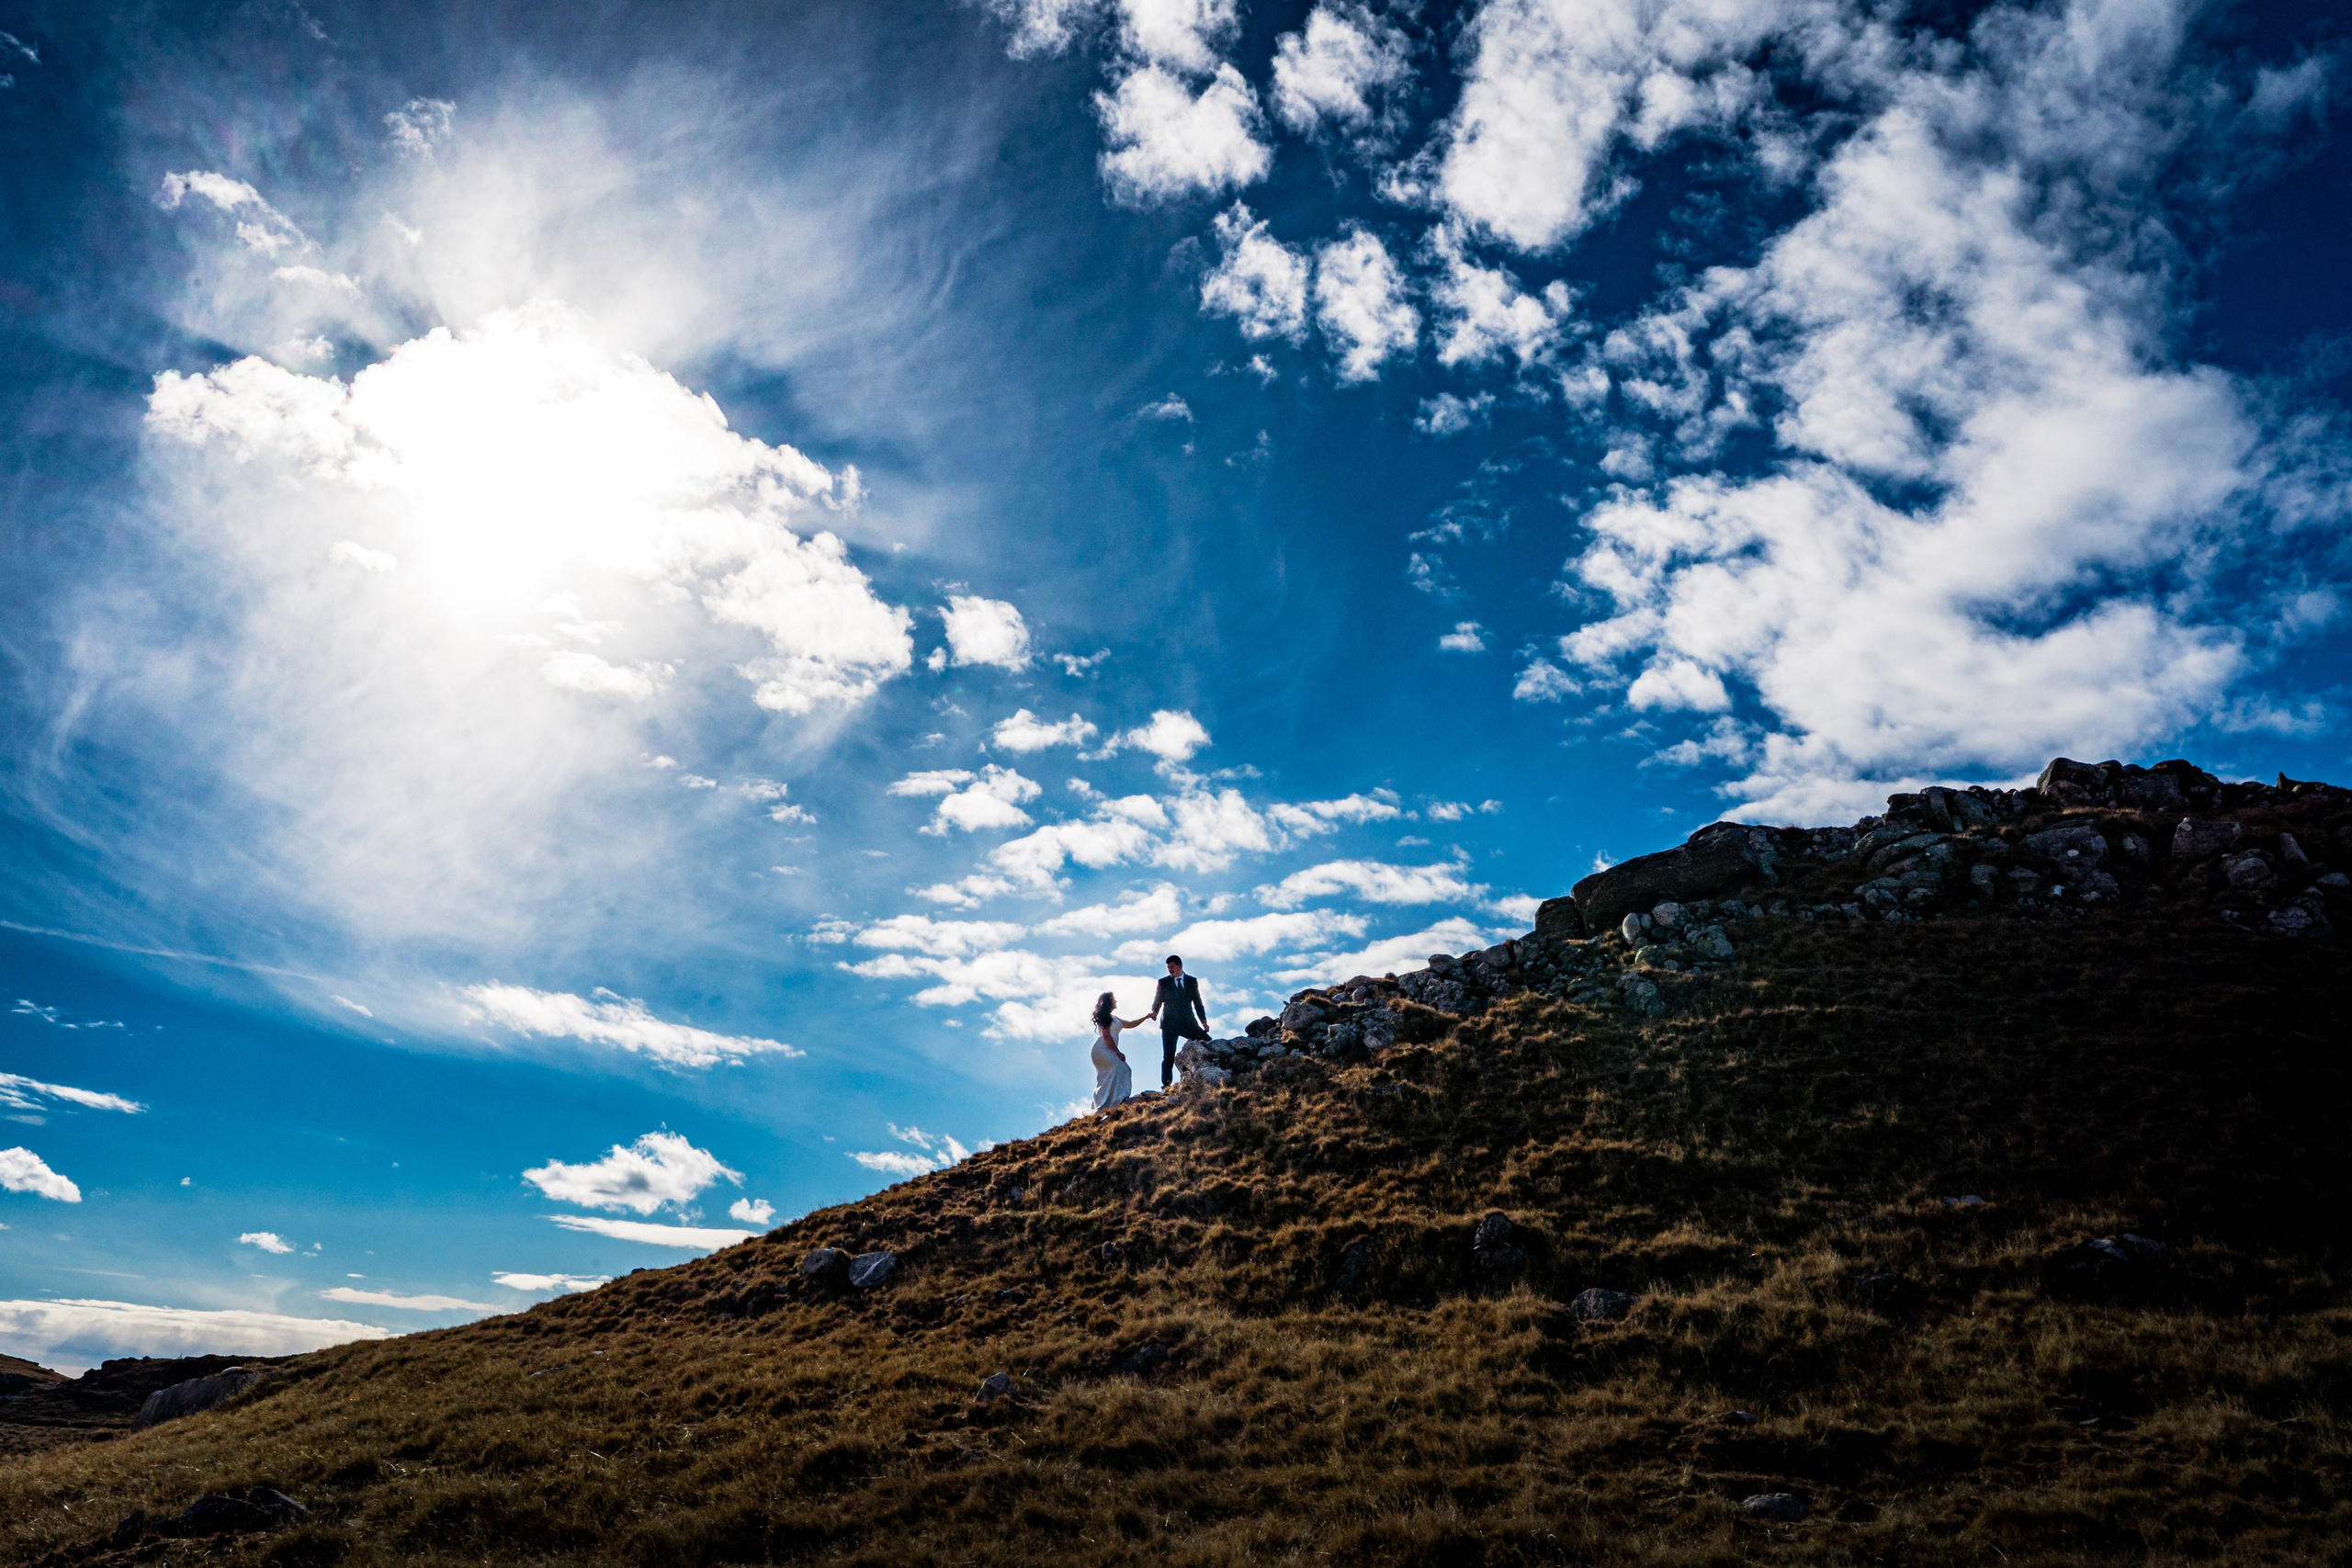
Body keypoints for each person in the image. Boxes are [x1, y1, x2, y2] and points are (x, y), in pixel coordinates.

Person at [1147, 954, 1209, 1089]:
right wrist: (1155, 1012)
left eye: (1172, 967)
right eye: (1168, 968)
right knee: (1168, 1057)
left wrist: (1203, 1021)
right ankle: (1166, 1086)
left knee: (1207, 1042)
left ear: (1179, 965)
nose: (1170, 970)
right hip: (1169, 1024)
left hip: (1188, 1023)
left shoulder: (1191, 981)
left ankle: (1207, 1073)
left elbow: (1198, 1002)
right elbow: (1158, 1000)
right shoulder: (1163, 982)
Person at [1090, 990, 1143, 1111]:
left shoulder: (1114, 1018)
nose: (1116, 1001)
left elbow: (1130, 1024)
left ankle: (1110, 1103)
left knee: (1110, 1076)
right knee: (1123, 1068)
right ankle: (1117, 1100)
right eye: (1114, 1000)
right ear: (1109, 1002)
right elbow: (1106, 1036)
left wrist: (1146, 1017)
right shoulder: (1104, 1016)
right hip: (1101, 1050)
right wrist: (1117, 1052)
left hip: (1107, 1050)